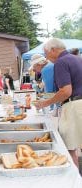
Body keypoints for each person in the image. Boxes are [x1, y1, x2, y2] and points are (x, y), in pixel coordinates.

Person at [35, 38, 82, 169]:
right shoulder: (77, 58)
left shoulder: (61, 62)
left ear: (53, 50)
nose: (46, 57)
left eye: (46, 53)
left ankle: (75, 183)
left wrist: (45, 103)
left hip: (74, 106)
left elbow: (66, 91)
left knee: (69, 147)